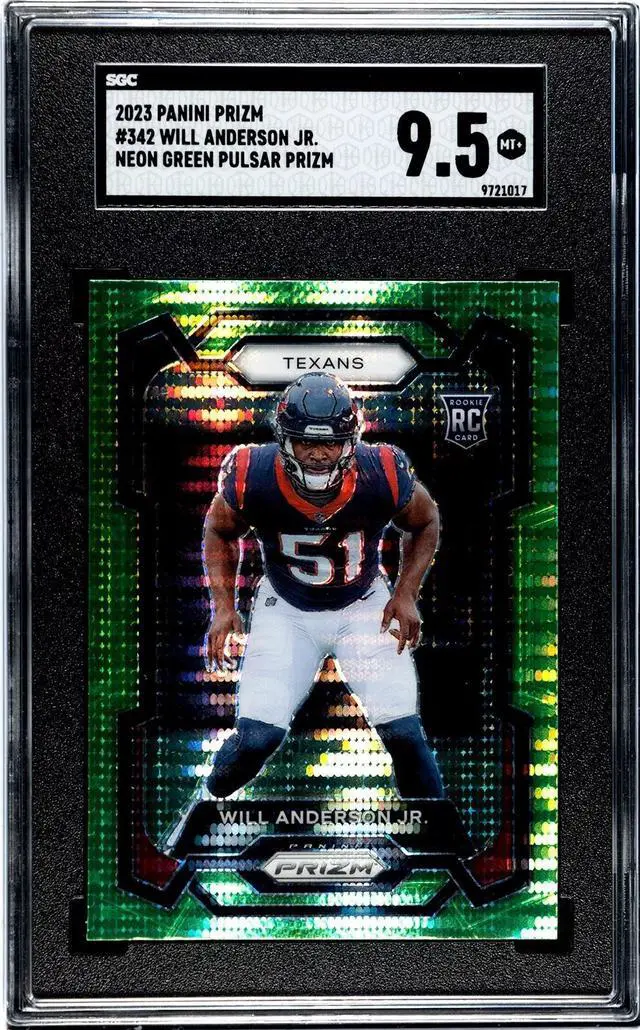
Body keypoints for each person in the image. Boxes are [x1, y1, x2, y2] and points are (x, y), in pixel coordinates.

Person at [203, 371, 445, 800]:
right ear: (285, 440)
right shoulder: (251, 474)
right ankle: (205, 803)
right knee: (255, 741)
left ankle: (435, 829)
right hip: (287, 610)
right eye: (306, 442)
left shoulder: (383, 471)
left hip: (364, 606)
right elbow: (219, 530)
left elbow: (425, 521)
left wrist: (406, 593)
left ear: (350, 441)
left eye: (331, 443)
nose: (318, 454)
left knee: (406, 737)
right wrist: (223, 606)